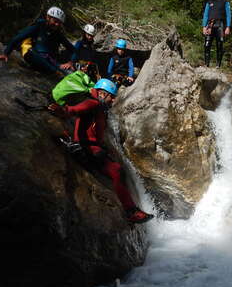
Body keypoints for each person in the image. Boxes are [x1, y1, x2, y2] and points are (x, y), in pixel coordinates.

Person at [48, 79, 154, 224]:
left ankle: (132, 211)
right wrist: (64, 111)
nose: (114, 99)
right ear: (102, 94)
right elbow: (76, 110)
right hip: (86, 149)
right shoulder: (93, 103)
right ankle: (131, 212)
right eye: (112, 96)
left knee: (114, 167)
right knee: (116, 171)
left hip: (90, 148)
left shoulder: (99, 108)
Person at [0, 6, 75, 76]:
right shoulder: (38, 26)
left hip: (50, 59)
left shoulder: (58, 33)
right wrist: (6, 53)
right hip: (33, 54)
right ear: (48, 18)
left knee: (68, 71)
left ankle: (54, 70)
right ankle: (54, 71)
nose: (57, 24)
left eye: (59, 23)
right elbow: (18, 38)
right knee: (34, 55)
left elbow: (72, 49)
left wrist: (70, 62)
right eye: (55, 21)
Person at [202, 0, 232, 68]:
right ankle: (206, 65)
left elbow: (228, 15)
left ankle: (218, 65)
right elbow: (205, 15)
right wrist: (204, 26)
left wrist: (228, 27)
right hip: (210, 26)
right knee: (207, 45)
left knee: (219, 45)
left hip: (220, 26)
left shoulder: (225, 2)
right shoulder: (209, 2)